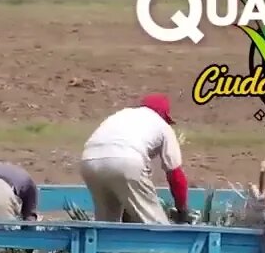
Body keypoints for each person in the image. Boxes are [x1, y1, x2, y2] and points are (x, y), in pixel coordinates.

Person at [79, 94, 193, 225]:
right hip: (126, 161)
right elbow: (176, 176)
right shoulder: (162, 125)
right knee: (157, 229)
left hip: (89, 161)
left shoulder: (122, 115)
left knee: (106, 226)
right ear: (164, 115)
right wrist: (182, 210)